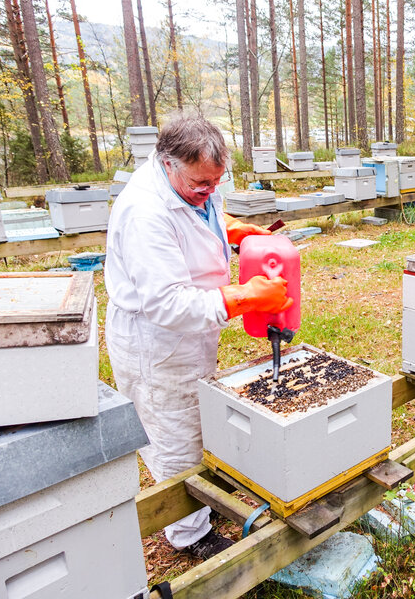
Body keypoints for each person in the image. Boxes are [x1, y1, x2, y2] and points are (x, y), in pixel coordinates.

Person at [105, 114, 292, 559]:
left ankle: (203, 506)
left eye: (216, 182)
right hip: (157, 341)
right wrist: (243, 297)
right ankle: (189, 534)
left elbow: (199, 214)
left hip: (192, 333)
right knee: (176, 437)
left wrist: (228, 227)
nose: (209, 191)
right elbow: (167, 304)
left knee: (198, 423)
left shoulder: (192, 182)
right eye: (200, 184)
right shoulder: (144, 213)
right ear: (167, 164)